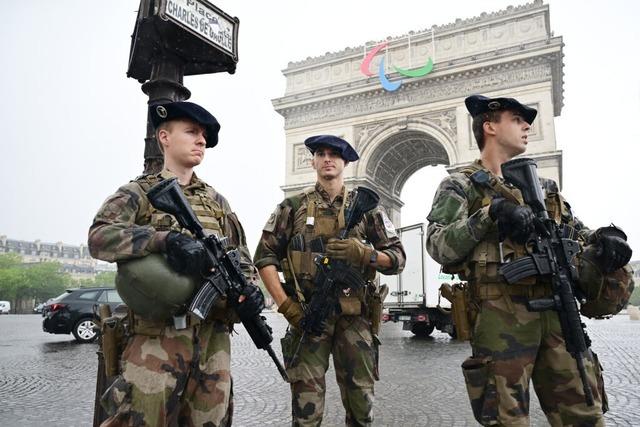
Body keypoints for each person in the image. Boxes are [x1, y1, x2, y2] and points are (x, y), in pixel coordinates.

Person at [426, 94, 632, 426]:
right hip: (499, 315)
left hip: (558, 309)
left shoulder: (546, 189)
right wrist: (491, 213)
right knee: (507, 421)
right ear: (490, 126)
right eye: (517, 119)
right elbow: (438, 245)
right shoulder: (460, 185)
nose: (527, 126)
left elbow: (579, 233)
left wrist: (607, 238)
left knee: (584, 415)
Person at [88, 101, 264, 427]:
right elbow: (99, 238)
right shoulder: (138, 193)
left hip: (213, 343)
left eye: (204, 137)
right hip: (155, 342)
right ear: (164, 137)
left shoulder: (217, 202)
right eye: (192, 132)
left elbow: (243, 259)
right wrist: (163, 240)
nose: (201, 141)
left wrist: (253, 293)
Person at [254, 135, 406, 426]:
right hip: (308, 316)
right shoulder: (292, 206)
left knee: (361, 404)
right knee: (306, 408)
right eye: (321, 154)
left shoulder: (367, 209)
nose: (327, 159)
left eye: (334, 155)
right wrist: (287, 307)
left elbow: (398, 259)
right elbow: (264, 257)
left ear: (345, 162)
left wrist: (365, 254)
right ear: (312, 161)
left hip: (355, 318)